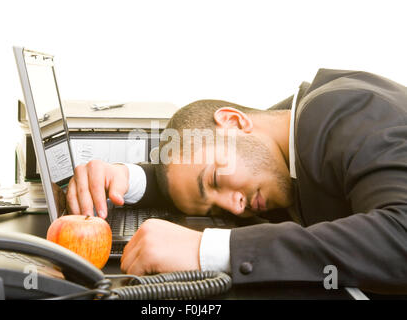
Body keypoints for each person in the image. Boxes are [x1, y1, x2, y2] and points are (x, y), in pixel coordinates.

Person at [66, 69, 407, 294]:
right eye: (214, 204)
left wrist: (211, 249)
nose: (234, 208)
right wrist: (128, 178)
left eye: (215, 180)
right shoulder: (280, 135)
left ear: (233, 121)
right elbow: (196, 170)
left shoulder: (353, 112)